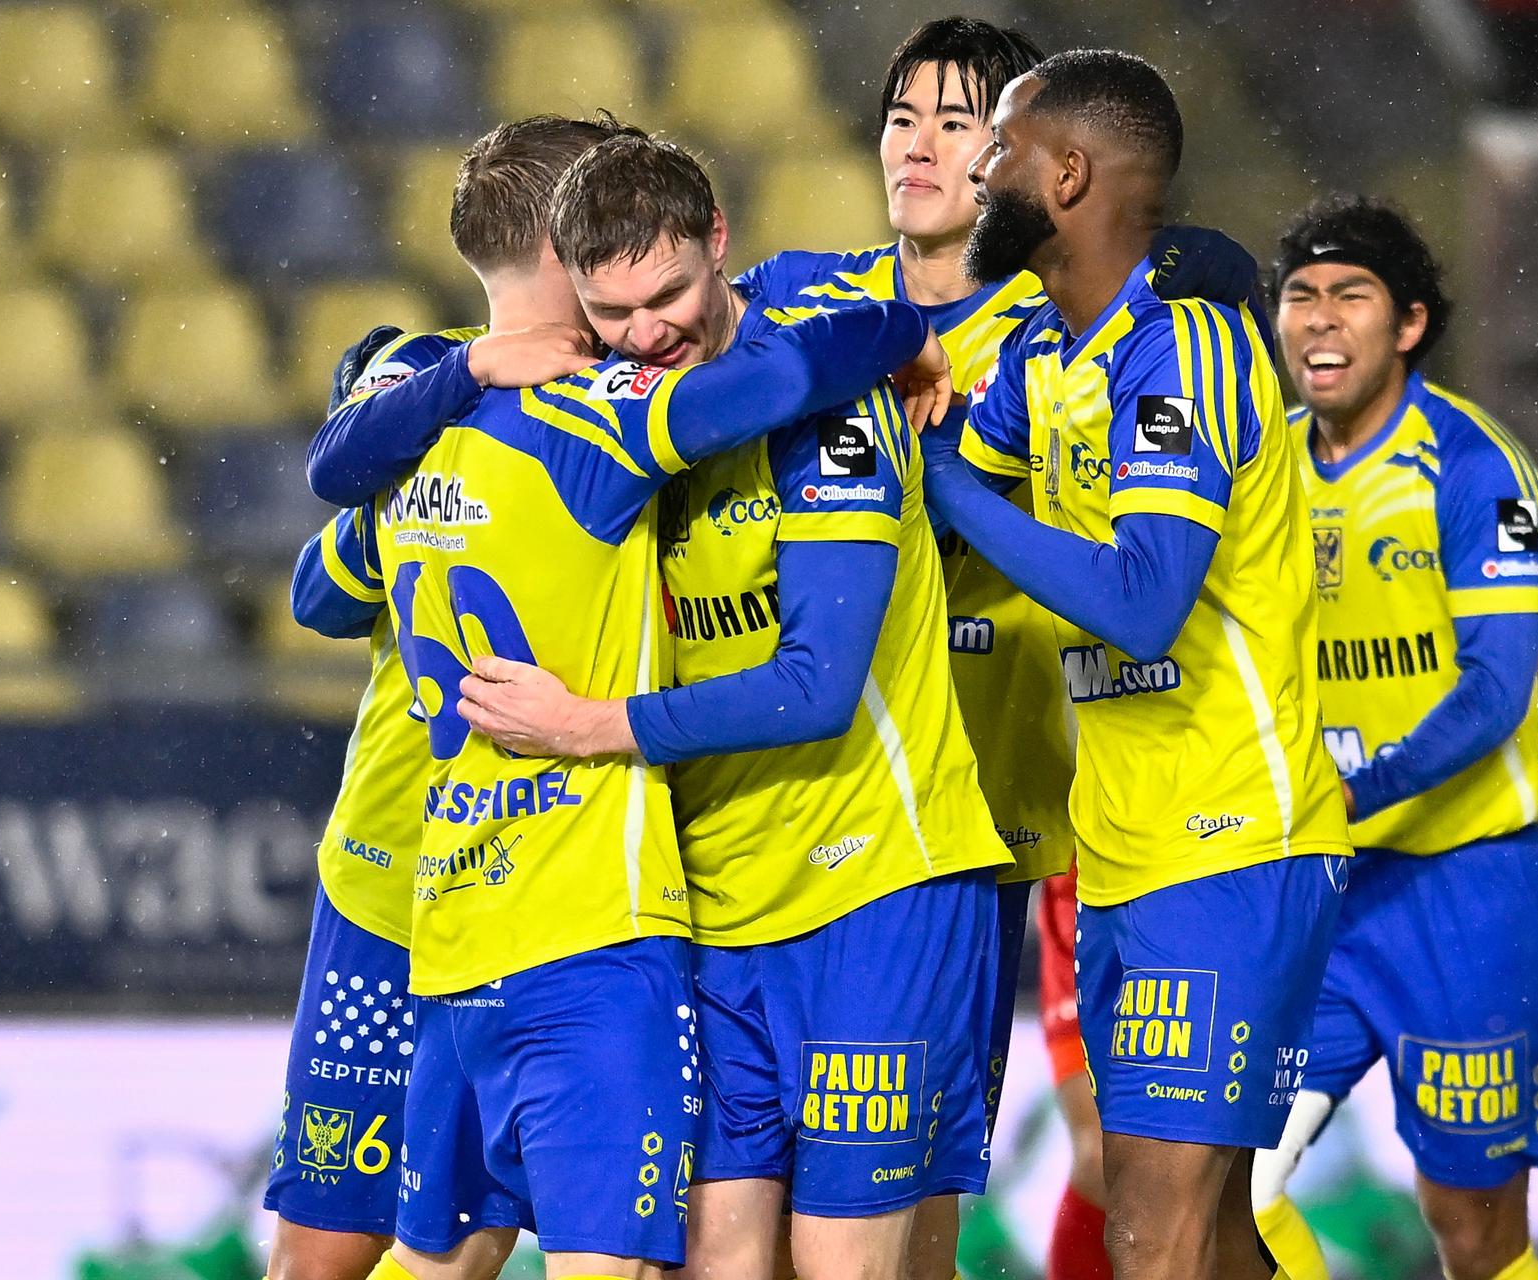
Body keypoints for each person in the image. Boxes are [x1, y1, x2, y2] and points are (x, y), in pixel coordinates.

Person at [311, 132, 996, 1280]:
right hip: (707, 906)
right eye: (614, 312)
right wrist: (470, 372)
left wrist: (591, 722)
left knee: (846, 1261)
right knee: (714, 1258)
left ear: (719, 241)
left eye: (668, 295)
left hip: (872, 883)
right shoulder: (606, 422)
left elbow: (817, 686)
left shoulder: (821, 409)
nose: (646, 332)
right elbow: (321, 551)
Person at [739, 20, 1273, 1276]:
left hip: (976, 826)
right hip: (779, 801)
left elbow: (1192, 319)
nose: (924, 148)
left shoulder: (1058, 324)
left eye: (960, 124)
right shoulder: (798, 298)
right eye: (901, 118)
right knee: (745, 1215)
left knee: (917, 1210)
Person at [921, 49, 1353, 1280]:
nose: (975, 167)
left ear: (1067, 174)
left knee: (1151, 1232)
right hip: (1120, 847)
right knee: (1205, 1235)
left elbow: (1145, 602)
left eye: (1000, 146)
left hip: (1230, 835)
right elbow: (944, 514)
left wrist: (949, 481)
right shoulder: (1045, 355)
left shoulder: (1187, 346)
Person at [263, 113, 644, 1280]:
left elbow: (325, 583)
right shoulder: (431, 374)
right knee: (342, 1247)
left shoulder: (629, 398)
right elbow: (321, 589)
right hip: (406, 874)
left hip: (540, 883)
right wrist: (456, 399)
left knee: (471, 1237)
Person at [1255, 194, 1538, 1280]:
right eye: (1300, 296)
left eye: (1351, 296)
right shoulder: (1259, 467)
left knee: (1473, 1233)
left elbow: (1496, 691)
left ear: (1411, 323)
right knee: (1236, 1188)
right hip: (1316, 894)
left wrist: (1359, 789)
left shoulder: (1476, 467)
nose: (1320, 320)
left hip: (1463, 892)